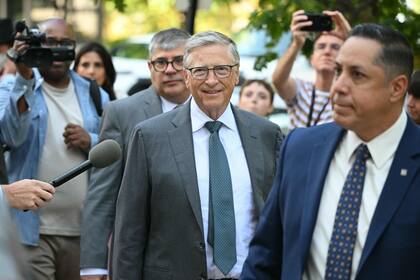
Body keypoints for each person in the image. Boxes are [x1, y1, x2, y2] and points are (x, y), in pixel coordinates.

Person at [241, 23, 419, 280]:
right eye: (338, 71)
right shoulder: (300, 148)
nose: (338, 87)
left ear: (397, 87)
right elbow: (266, 255)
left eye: (357, 75)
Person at [112, 31, 283, 280]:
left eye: (222, 69)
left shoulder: (267, 134)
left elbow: (279, 221)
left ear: (236, 74)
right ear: (186, 76)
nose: (211, 80)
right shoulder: (150, 137)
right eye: (200, 71)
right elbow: (129, 232)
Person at [0, 18, 109, 280]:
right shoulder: (9, 87)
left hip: (83, 230)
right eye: (49, 42)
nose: (56, 50)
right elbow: (12, 137)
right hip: (31, 231)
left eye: (64, 43)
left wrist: (90, 140)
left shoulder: (95, 93)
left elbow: (112, 149)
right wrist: (24, 76)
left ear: (74, 47)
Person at [80, 28, 191, 280]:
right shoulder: (122, 112)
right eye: (161, 62)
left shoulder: (211, 109)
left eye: (178, 61)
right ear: (150, 66)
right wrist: (93, 265)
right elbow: (102, 193)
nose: (170, 69)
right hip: (143, 254)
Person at [272, 10, 350, 129]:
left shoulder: (347, 94)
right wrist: (297, 43)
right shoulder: (301, 89)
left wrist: (350, 38)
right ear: (312, 59)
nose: (327, 52)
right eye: (321, 47)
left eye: (335, 47)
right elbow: (278, 81)